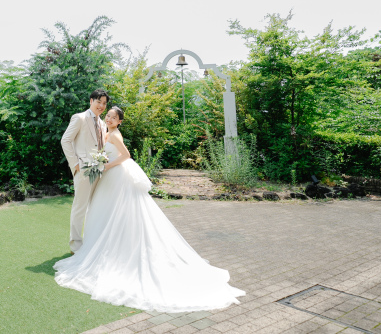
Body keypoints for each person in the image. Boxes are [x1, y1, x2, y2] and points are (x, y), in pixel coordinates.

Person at [54, 106, 245, 312]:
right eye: (108, 116)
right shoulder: (106, 132)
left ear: (119, 121)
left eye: (113, 117)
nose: (109, 119)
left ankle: (118, 250)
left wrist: (106, 165)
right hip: (109, 177)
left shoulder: (115, 135)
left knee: (119, 212)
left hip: (117, 176)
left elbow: (126, 155)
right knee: (108, 212)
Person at [60, 89, 109, 254]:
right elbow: (65, 140)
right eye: (99, 102)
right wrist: (75, 165)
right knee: (80, 207)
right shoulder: (79, 118)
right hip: (83, 170)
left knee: (94, 207)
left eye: (104, 103)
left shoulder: (103, 124)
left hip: (99, 171)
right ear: (91, 101)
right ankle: (75, 245)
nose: (101, 106)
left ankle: (89, 241)